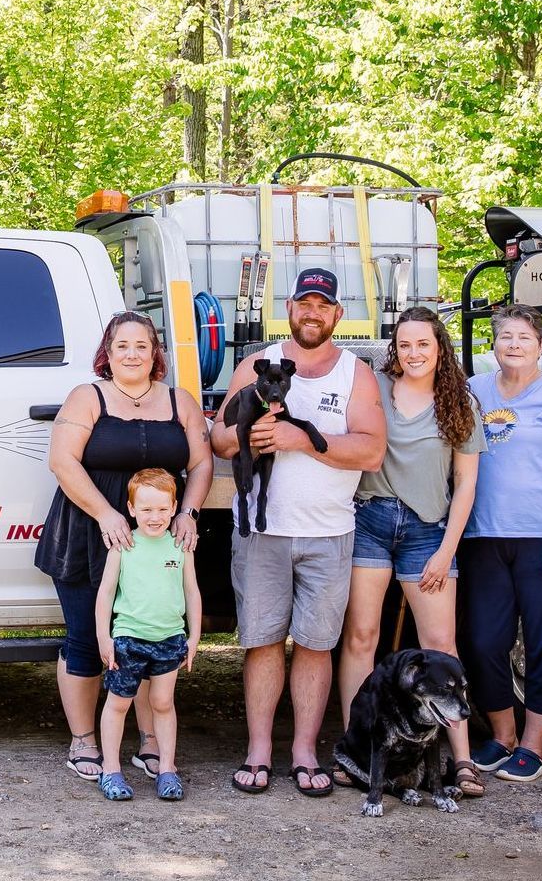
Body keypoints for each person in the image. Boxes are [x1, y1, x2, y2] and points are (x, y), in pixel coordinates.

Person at [210, 268, 386, 797]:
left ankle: (304, 751)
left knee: (314, 645)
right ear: (289, 308)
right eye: (304, 303)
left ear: (337, 314)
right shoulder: (254, 364)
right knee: (262, 642)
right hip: (263, 531)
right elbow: (218, 439)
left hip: (330, 533)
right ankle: (259, 750)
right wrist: (251, 438)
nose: (312, 313)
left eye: (323, 305)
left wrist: (300, 439)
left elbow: (372, 450)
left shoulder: (355, 374)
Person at [36, 311, 213, 783]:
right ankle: (84, 740)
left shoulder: (180, 402)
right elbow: (63, 461)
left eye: (142, 345)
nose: (132, 354)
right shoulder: (88, 397)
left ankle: (151, 742)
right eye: (122, 346)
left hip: (157, 537)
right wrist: (107, 514)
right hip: (88, 531)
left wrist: (188, 514)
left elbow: (201, 465)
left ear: (156, 352)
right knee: (87, 639)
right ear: (107, 353)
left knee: (150, 639)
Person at [335, 306, 487, 798]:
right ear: (394, 351)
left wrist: (446, 551)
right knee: (361, 637)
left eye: (424, 344)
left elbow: (465, 485)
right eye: (405, 345)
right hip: (371, 521)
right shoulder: (374, 391)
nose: (414, 353)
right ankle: (359, 753)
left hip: (427, 532)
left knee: (441, 646)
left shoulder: (459, 402)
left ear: (439, 348)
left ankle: (461, 761)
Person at [459, 303, 542, 783]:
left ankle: (534, 745)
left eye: (523, 337)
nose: (513, 345)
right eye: (505, 337)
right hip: (483, 535)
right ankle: (503, 734)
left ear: (540, 345)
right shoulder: (473, 391)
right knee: (482, 641)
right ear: (493, 346)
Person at [94, 468, 203, 801]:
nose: (154, 517)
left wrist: (194, 636)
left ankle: (167, 770)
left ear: (173, 509)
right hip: (128, 640)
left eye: (161, 509)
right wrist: (104, 636)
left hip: (170, 639)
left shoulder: (180, 547)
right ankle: (110, 771)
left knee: (163, 703)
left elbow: (192, 592)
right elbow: (105, 593)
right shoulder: (124, 545)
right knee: (118, 704)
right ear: (131, 509)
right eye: (146, 509)